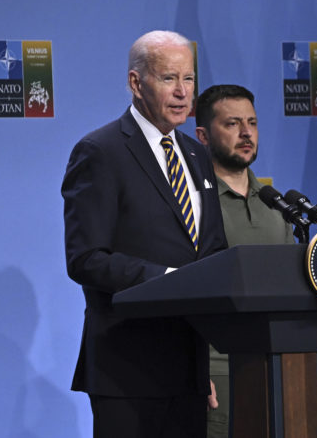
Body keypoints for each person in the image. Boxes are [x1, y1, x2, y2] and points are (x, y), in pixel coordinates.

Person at [61, 30, 227, 438]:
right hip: (127, 372)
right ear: (136, 83)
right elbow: (86, 258)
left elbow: (211, 249)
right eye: (169, 78)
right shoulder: (101, 152)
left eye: (188, 79)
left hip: (188, 369)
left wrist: (200, 367)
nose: (183, 92)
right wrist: (169, 281)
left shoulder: (197, 154)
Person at [194, 84, 294, 438]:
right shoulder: (191, 204)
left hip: (280, 370)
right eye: (232, 124)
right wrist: (194, 370)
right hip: (217, 371)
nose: (246, 133)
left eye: (251, 122)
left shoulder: (275, 204)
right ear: (203, 136)